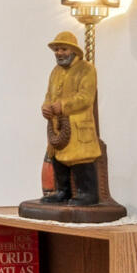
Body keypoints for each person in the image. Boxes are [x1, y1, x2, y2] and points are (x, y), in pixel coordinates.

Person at [38, 28, 106, 212]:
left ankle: (88, 194)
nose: (59, 53)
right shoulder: (55, 72)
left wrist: (64, 106)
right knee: (59, 158)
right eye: (57, 50)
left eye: (64, 49)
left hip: (78, 125)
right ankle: (63, 191)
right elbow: (49, 94)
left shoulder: (87, 69)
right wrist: (46, 106)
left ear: (74, 51)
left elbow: (86, 97)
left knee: (81, 159)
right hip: (59, 126)